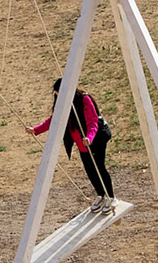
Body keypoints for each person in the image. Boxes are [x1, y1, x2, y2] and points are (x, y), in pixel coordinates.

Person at [28, 77, 113, 213]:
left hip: (96, 139)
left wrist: (89, 138)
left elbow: (93, 122)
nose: (57, 97)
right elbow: (53, 120)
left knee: (99, 168)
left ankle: (110, 197)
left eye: (59, 94)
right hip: (82, 144)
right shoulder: (62, 104)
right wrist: (36, 130)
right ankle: (101, 195)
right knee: (90, 171)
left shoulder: (84, 99)